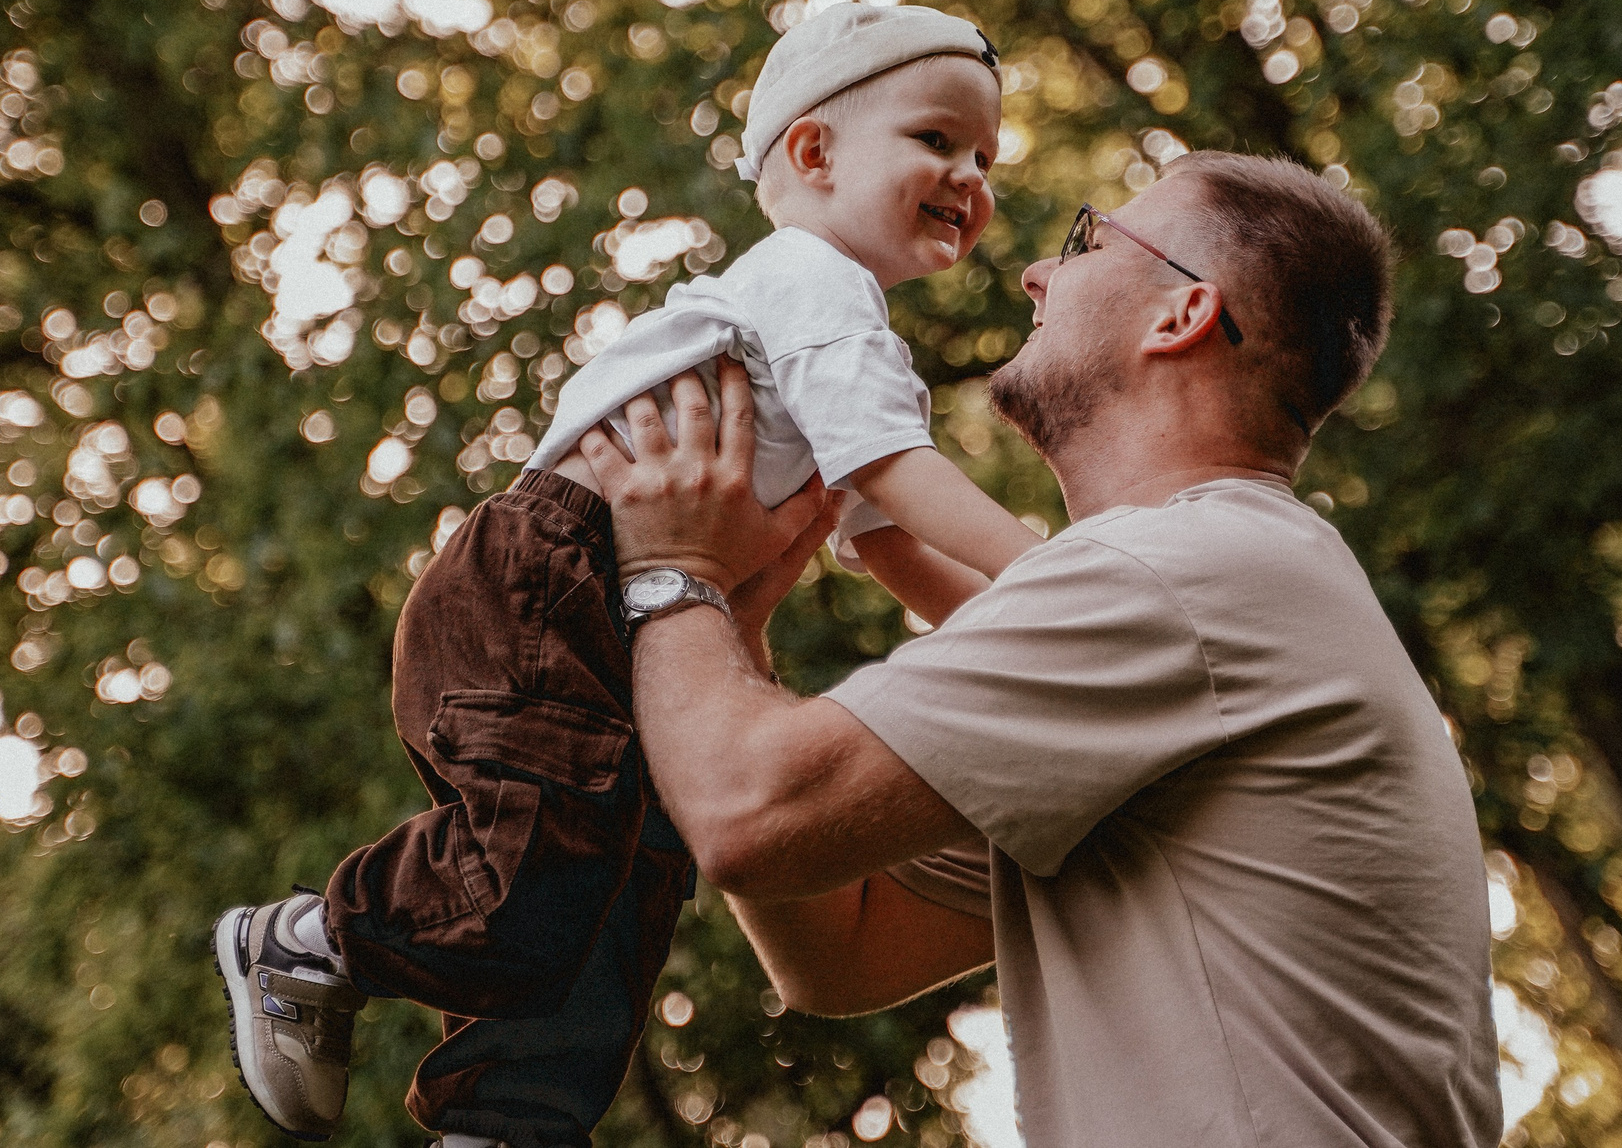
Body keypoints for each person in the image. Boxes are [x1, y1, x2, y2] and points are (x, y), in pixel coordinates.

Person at [214, 3, 1046, 1147]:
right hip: (542, 584)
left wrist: (1029, 625)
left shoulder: (845, 339)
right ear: (812, 154)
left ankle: (506, 1121)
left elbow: (888, 542)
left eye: (985, 159)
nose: (970, 176)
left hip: (627, 616)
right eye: (938, 141)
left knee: (618, 891)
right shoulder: (811, 281)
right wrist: (1060, 576)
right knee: (541, 857)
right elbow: (897, 476)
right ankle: (309, 941)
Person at [582, 152, 1503, 1148]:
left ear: (1180, 316)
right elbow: (840, 952)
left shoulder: (1184, 572)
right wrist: (739, 633)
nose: (1035, 273)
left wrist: (675, 572)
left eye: (1085, 241)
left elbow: (748, 817)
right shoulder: (1221, 587)